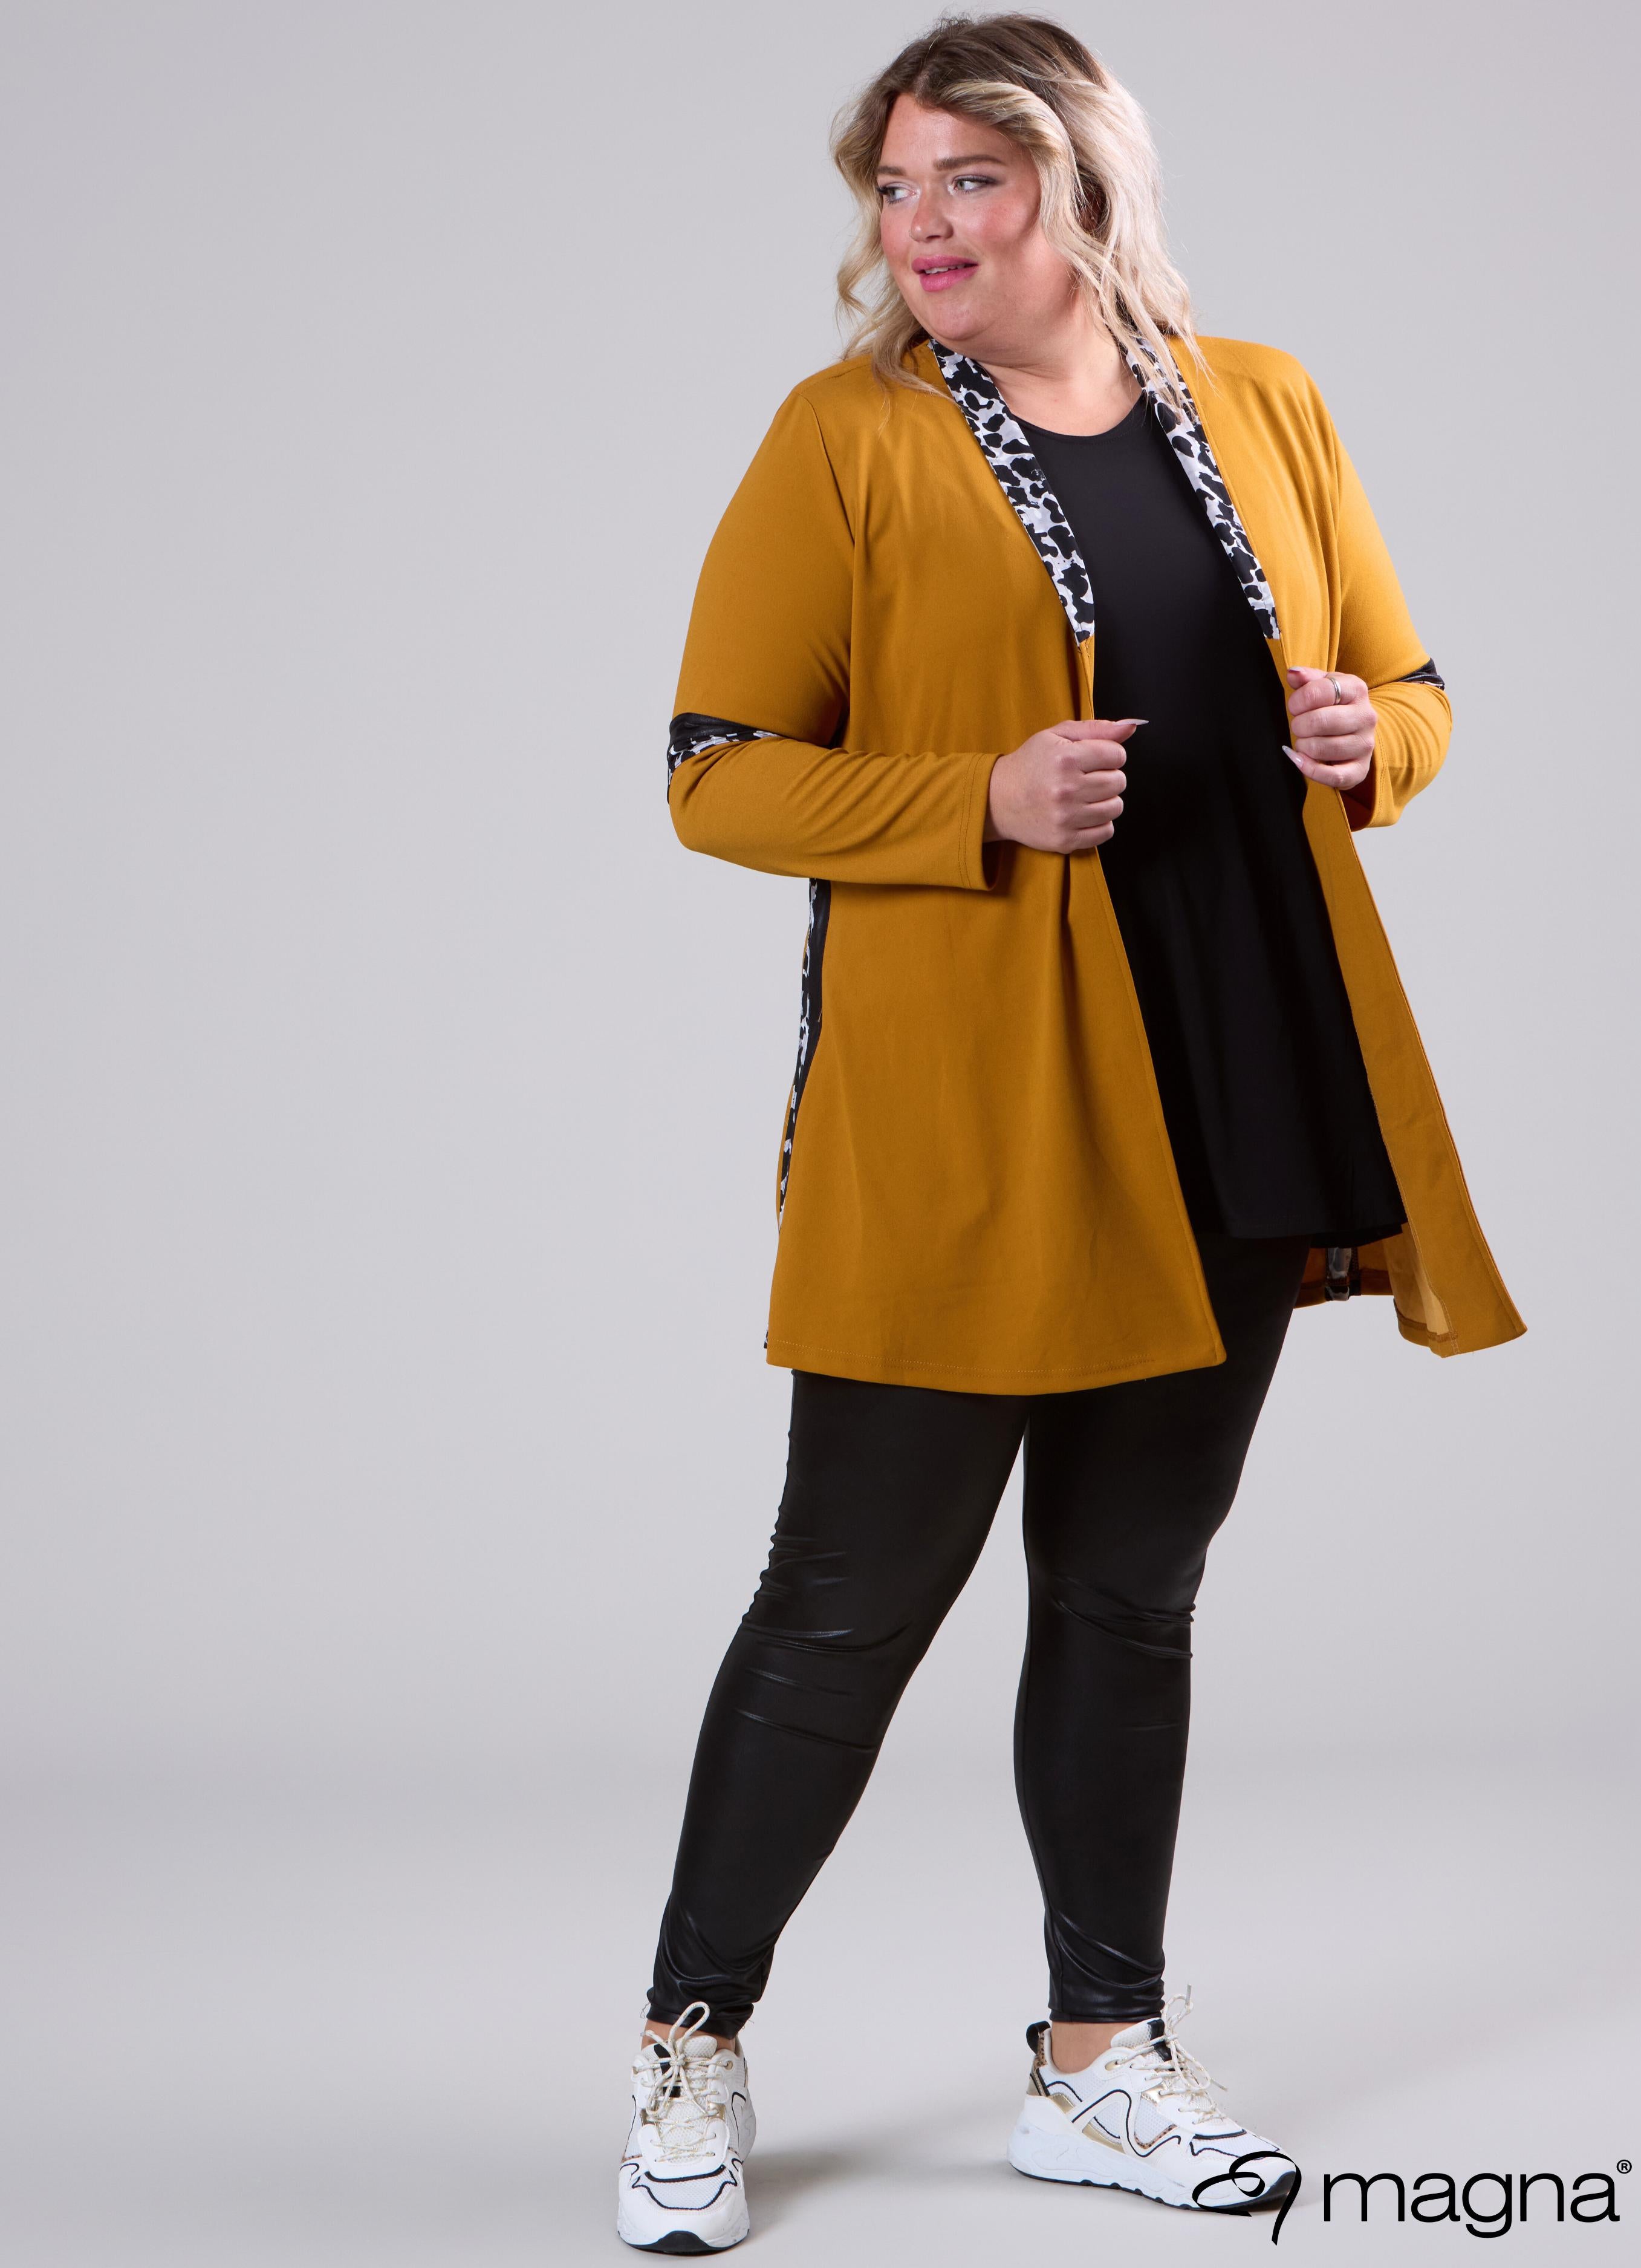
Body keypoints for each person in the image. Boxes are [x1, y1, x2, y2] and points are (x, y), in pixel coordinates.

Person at [617, 13, 1523, 2252]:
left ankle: (1099, 2059)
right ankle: (688, 2047)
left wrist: (1373, 741)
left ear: (1086, 189)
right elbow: (714, 769)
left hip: (1237, 1068)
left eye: (973, 181)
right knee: (848, 1603)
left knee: (1131, 1592)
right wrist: (976, 800)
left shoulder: (1266, 401)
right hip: (976, 1102)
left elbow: (1418, 695)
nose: (922, 227)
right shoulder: (845, 439)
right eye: (897, 187)